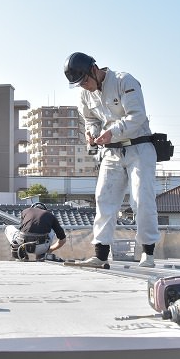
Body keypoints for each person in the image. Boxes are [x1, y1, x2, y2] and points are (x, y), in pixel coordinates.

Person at [64, 52, 160, 268]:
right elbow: (90, 119)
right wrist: (91, 133)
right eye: (79, 84)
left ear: (94, 69)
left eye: (85, 80)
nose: (84, 86)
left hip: (139, 148)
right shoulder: (84, 95)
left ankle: (148, 252)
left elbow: (137, 116)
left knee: (141, 198)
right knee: (104, 199)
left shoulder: (123, 80)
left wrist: (112, 132)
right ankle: (100, 254)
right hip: (111, 152)